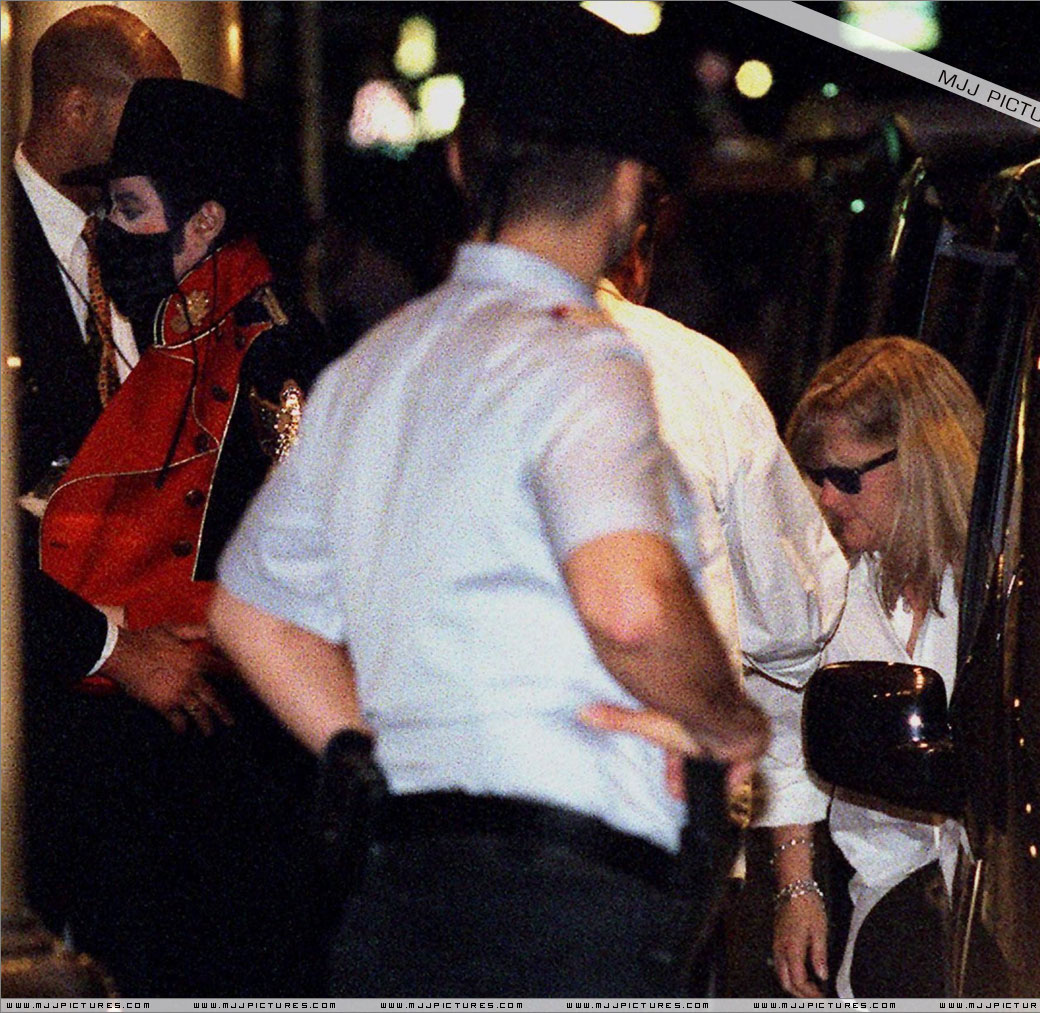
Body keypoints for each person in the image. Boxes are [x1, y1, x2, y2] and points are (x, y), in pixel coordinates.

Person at [209, 6, 768, 998]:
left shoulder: (372, 368)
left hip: (395, 889)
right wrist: (729, 722)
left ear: (463, 164)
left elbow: (251, 612)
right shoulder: (582, 361)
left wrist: (377, 752)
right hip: (570, 897)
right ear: (629, 186)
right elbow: (630, 606)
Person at [35, 78, 340, 996]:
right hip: (152, 764)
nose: (109, 234)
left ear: (204, 222)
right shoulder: (177, 338)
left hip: (224, 773)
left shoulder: (272, 352)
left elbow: (294, 566)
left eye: (130, 209)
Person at [593, 192, 849, 993]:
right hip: (658, 832)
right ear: (636, 252)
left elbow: (280, 611)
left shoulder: (404, 367)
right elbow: (798, 618)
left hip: (457, 855)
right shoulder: (692, 374)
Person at [10, 7, 183, 934]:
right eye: (145, 115)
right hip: (38, 704)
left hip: (149, 709)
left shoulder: (141, 246)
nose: (165, 144)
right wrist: (108, 646)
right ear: (76, 109)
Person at [758, 336, 983, 998]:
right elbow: (785, 733)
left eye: (847, 477)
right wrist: (797, 888)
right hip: (891, 903)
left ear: (923, 460)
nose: (827, 500)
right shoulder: (828, 588)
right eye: (817, 477)